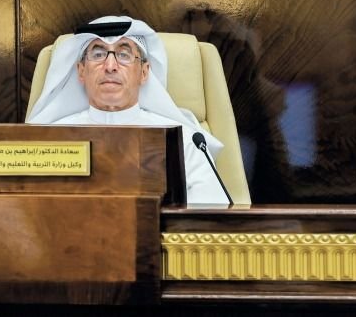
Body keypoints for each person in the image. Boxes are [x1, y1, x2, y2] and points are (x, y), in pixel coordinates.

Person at [26, 16, 231, 204]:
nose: (110, 66)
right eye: (98, 54)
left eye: (124, 55)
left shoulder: (180, 139)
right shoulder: (51, 140)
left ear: (144, 72)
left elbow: (211, 213)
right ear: (81, 71)